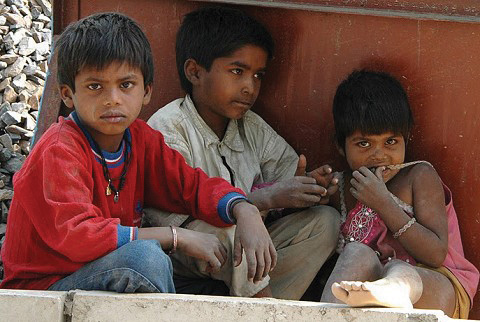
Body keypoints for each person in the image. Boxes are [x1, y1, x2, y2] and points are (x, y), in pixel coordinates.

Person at [0, 12, 276, 293]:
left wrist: (244, 209)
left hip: (104, 272)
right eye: (95, 86)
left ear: (146, 92)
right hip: (45, 289)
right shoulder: (59, 149)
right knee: (144, 258)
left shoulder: (139, 139)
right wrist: (176, 236)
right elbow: (79, 237)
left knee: (215, 291)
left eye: (126, 85)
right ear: (68, 95)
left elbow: (190, 186)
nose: (112, 99)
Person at [146, 6, 340, 300]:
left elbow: (286, 175)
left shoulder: (251, 126)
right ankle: (263, 308)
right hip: (187, 255)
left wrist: (308, 189)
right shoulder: (168, 128)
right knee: (234, 233)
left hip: (245, 256)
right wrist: (267, 198)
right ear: (194, 72)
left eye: (258, 75)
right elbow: (180, 223)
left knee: (325, 222)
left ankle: (266, 307)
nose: (250, 87)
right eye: (237, 71)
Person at [319, 70, 479, 319]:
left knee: (398, 270)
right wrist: (311, 190)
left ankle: (392, 290)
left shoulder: (418, 176)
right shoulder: (341, 187)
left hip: (435, 286)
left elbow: (436, 254)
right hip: (367, 288)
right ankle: (323, 317)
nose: (379, 154)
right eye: (364, 144)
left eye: (391, 142)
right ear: (341, 145)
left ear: (406, 138)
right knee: (356, 252)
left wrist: (383, 204)